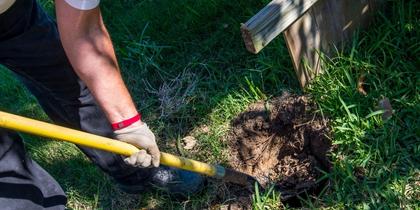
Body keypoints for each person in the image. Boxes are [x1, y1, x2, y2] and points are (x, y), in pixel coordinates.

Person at [0, 0, 204, 209]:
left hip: (10, 13)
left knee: (66, 78)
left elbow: (85, 34)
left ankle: (134, 171)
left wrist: (129, 124)